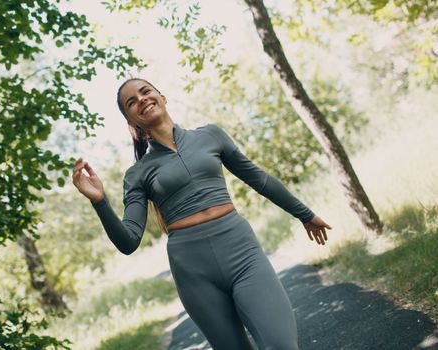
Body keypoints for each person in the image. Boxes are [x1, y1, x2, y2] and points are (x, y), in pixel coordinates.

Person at [72, 78, 332, 350]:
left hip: (242, 253)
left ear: (161, 95)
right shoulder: (137, 174)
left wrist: (305, 214)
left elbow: (259, 179)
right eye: (131, 102)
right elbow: (128, 241)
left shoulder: (210, 135)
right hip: (194, 273)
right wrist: (100, 201)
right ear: (131, 119)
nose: (142, 100)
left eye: (145, 92)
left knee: (282, 345)